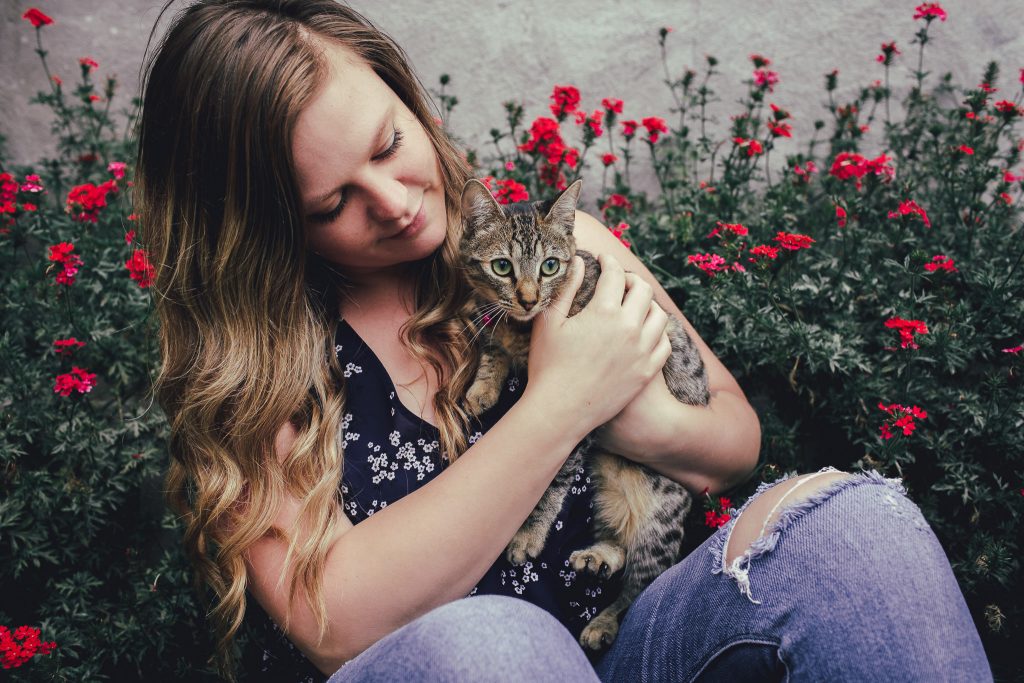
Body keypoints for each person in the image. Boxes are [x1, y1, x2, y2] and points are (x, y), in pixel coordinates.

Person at [135, 1, 993, 681]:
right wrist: (561, 401)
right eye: (332, 204)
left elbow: (733, 439)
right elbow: (337, 625)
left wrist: (635, 418)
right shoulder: (262, 373)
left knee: (848, 527)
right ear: (263, 229)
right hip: (461, 669)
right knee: (494, 646)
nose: (394, 201)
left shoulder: (552, 247)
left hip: (623, 639)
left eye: (390, 144)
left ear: (402, 91)